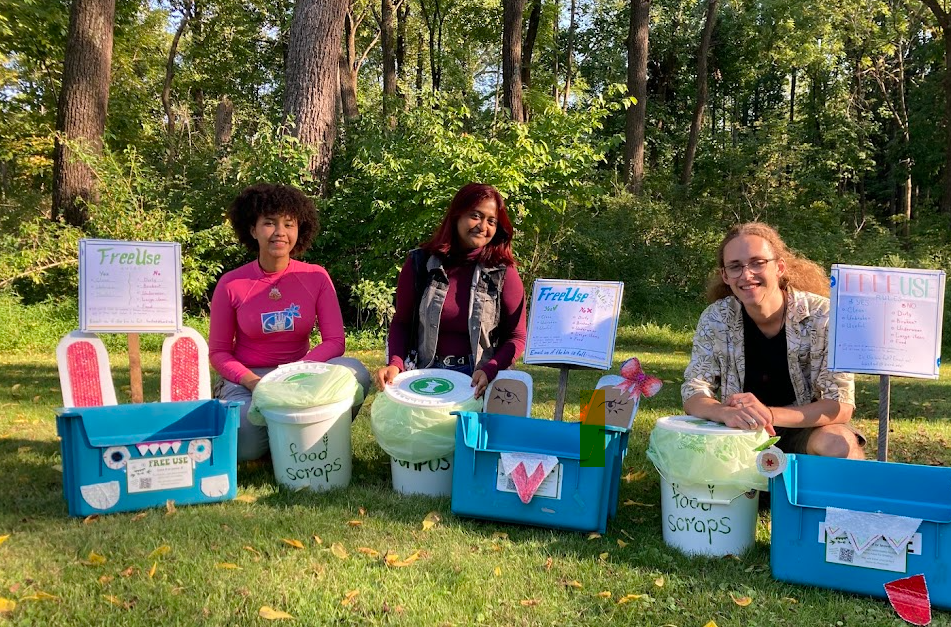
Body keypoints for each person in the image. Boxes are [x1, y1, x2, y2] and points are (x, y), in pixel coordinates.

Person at [209, 183, 370, 462]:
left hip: (302, 373)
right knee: (243, 447)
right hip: (251, 380)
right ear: (252, 230)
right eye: (269, 223)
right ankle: (281, 440)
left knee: (356, 373)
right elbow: (218, 352)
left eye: (289, 224)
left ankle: (314, 437)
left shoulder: (316, 277)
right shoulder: (230, 283)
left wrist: (298, 370)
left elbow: (335, 341)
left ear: (299, 230)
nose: (280, 232)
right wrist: (253, 381)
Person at [682, 222, 864, 459]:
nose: (747, 275)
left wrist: (767, 414)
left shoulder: (824, 316)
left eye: (758, 262)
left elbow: (839, 406)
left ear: (779, 267)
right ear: (725, 276)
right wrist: (723, 413)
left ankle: (824, 494)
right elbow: (693, 392)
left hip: (804, 431)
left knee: (837, 444)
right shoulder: (716, 318)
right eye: (735, 267)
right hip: (738, 433)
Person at [375, 182, 527, 398]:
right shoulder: (421, 264)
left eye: (491, 221)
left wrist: (490, 369)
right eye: (476, 216)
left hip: (480, 381)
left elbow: (517, 336)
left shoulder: (503, 272)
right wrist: (395, 363)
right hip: (425, 375)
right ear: (456, 215)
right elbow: (402, 322)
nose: (483, 226)